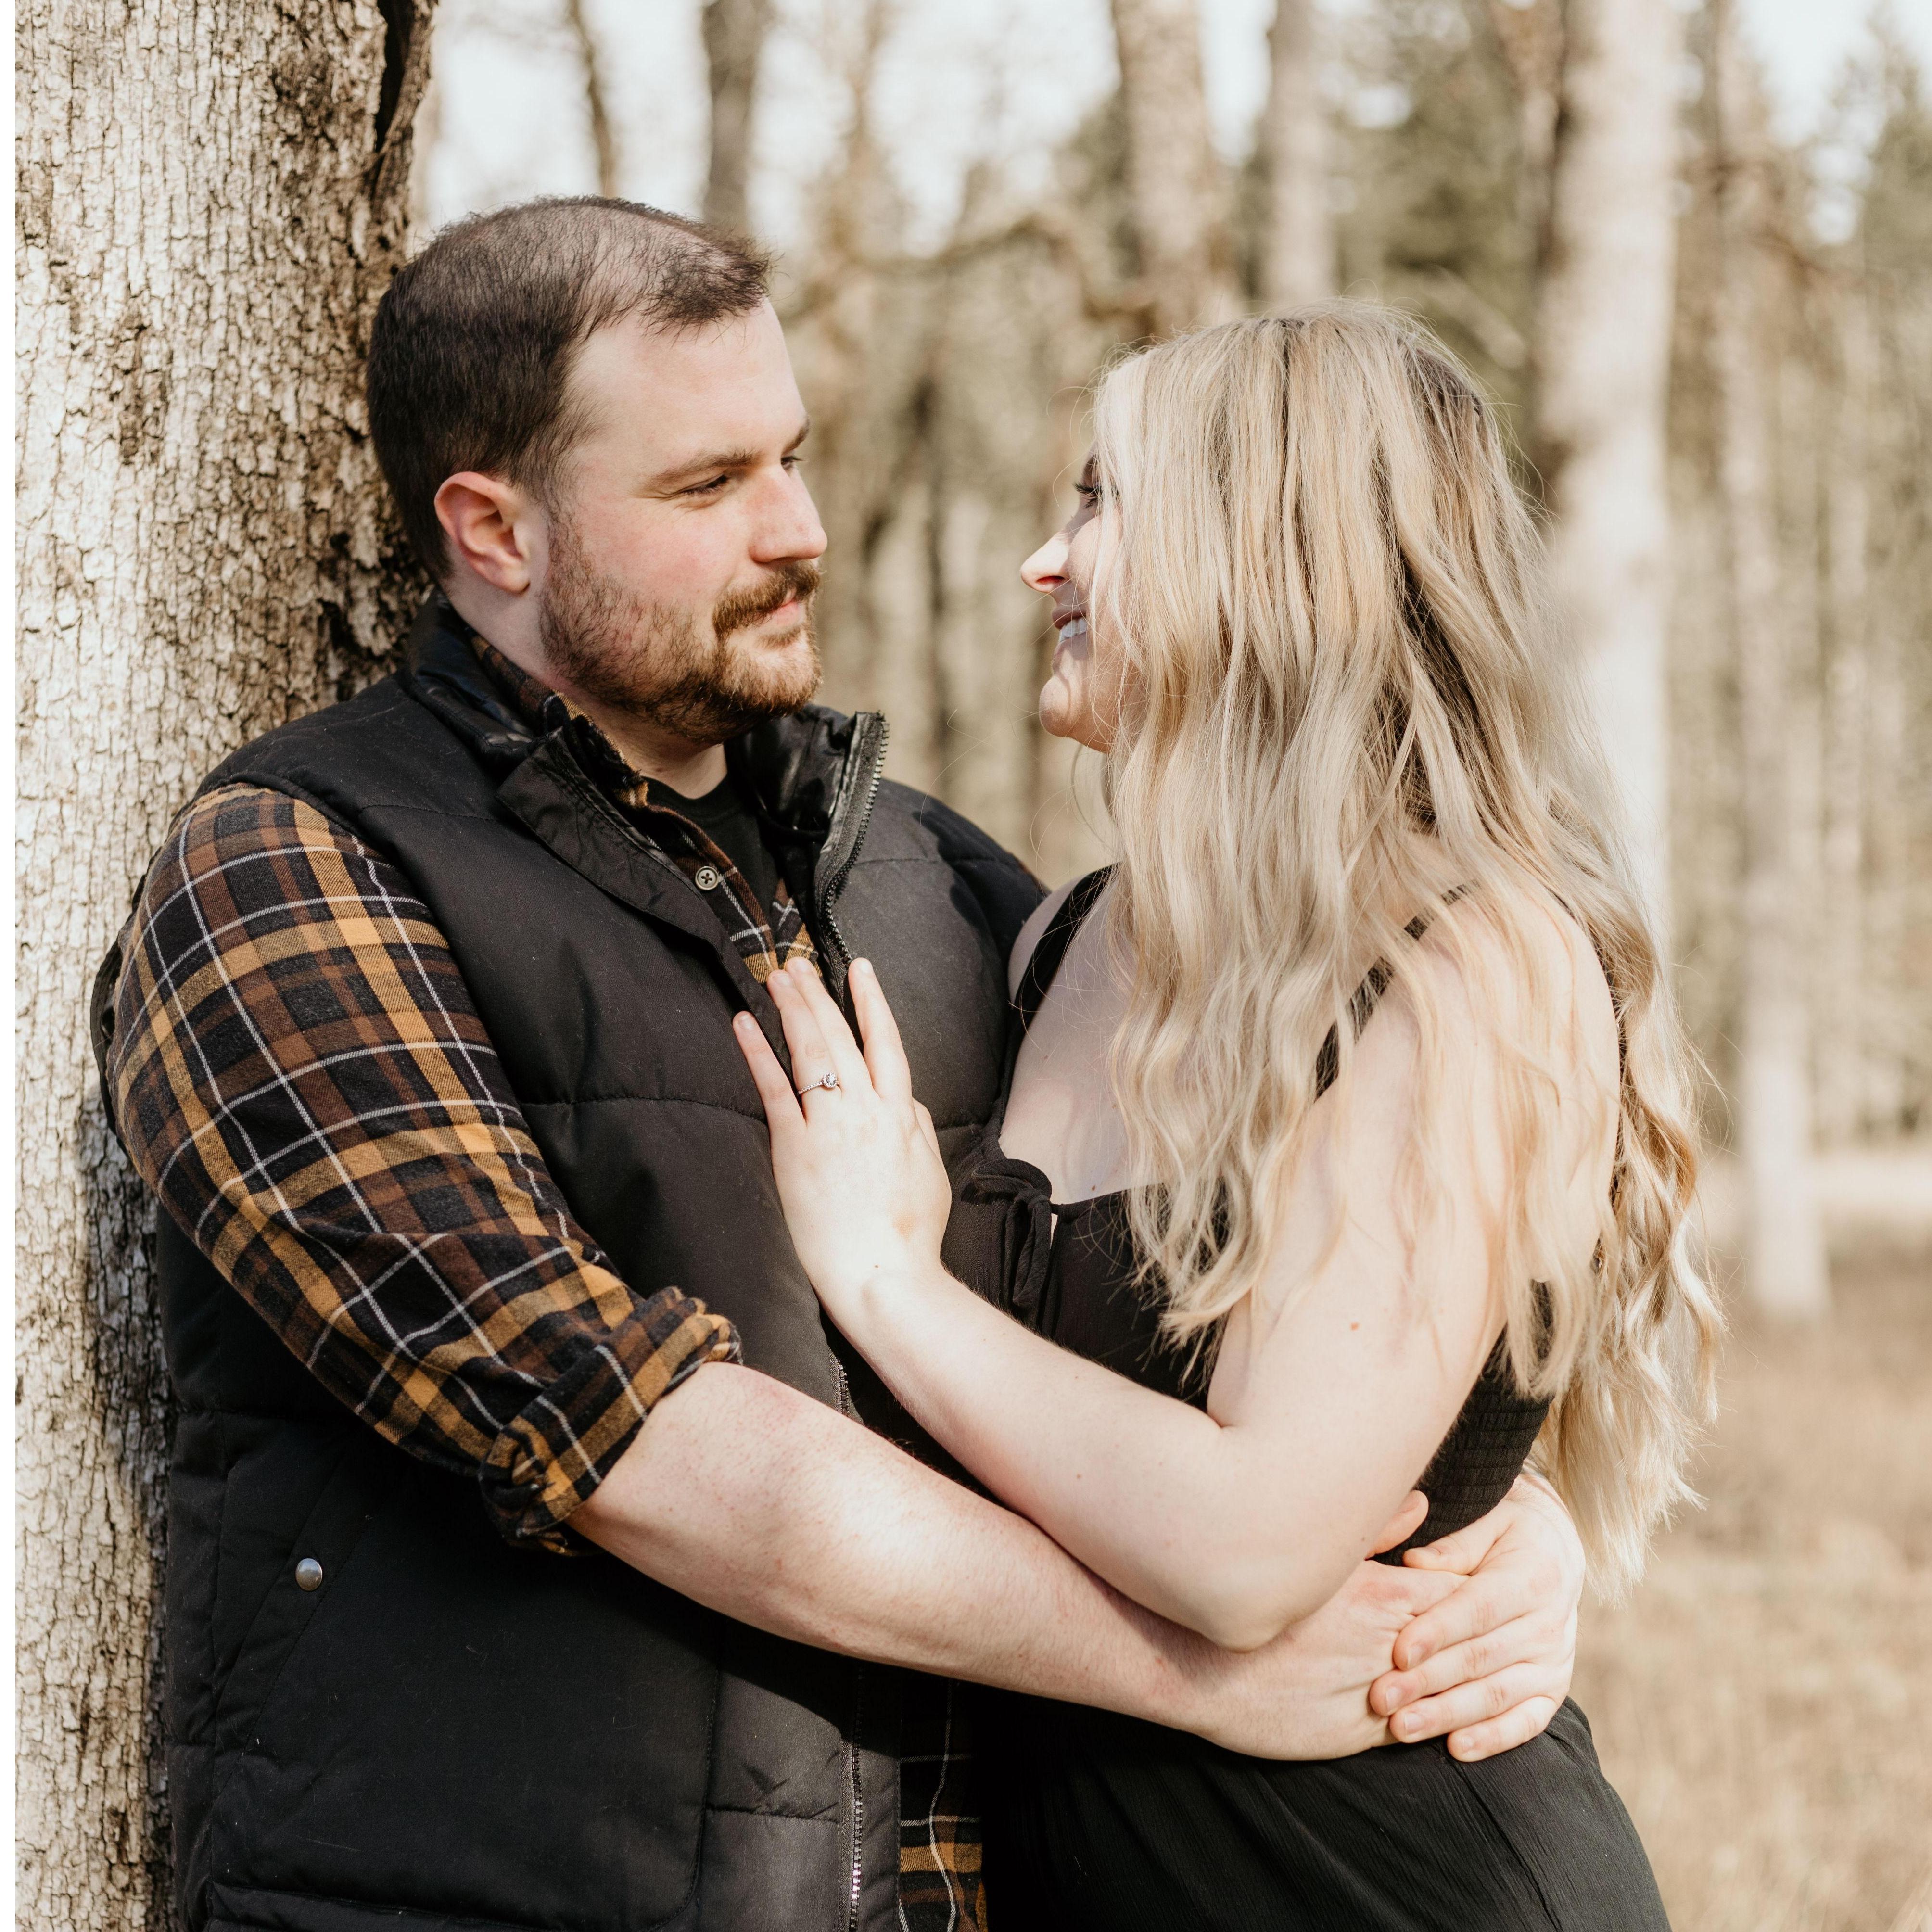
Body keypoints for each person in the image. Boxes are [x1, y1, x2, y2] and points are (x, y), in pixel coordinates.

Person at [95, 204, 1589, 1932]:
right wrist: (1193, 1666)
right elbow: (614, 1431)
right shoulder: (295, 869)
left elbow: (1206, 1316)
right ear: (494, 529)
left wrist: (1485, 1514)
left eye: (792, 458)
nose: (797, 530)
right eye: (707, 484)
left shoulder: (943, 889)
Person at [735, 305, 1721, 1929]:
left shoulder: (1473, 962)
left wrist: (892, 1282)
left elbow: (1251, 1549)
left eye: (1101, 502)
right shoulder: (1062, 942)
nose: (1044, 564)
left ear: (1266, 555)